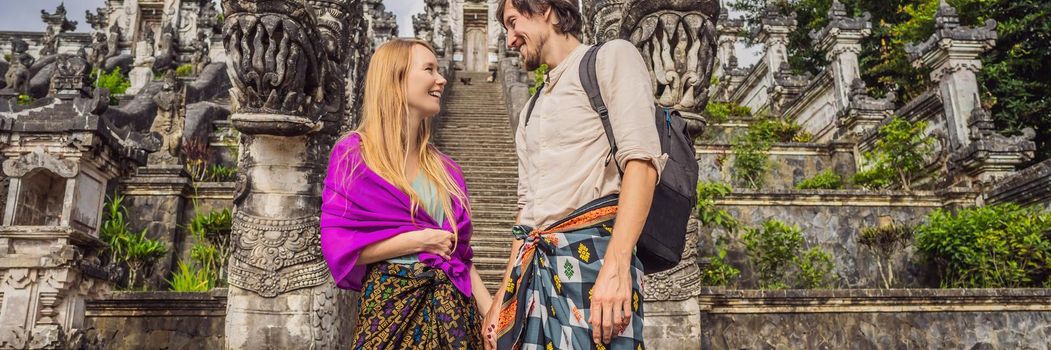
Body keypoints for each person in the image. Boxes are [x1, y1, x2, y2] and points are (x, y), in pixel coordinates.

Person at [483, 0, 666, 349]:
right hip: (537, 270)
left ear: (547, 10)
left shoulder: (610, 59)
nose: (510, 40)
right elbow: (527, 210)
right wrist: (500, 299)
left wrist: (617, 267)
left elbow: (641, 163)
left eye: (513, 22)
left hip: (595, 260)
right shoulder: (530, 111)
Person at [320, 38, 492, 349]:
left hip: (454, 317)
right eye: (429, 69)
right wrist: (420, 240)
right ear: (396, 79)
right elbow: (340, 248)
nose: (441, 79)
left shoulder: (446, 169)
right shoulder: (354, 156)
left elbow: (461, 258)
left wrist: (492, 314)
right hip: (390, 310)